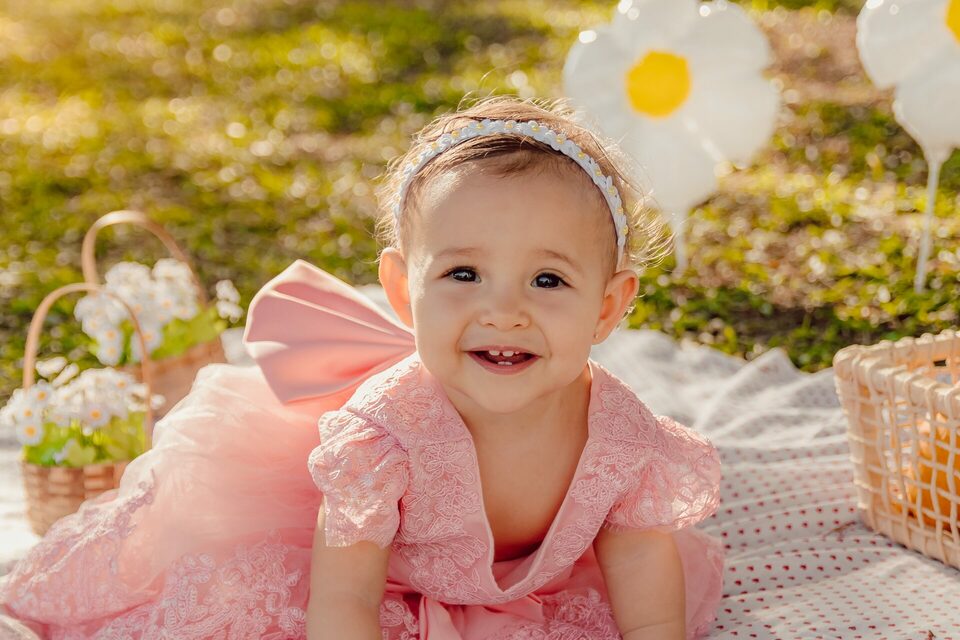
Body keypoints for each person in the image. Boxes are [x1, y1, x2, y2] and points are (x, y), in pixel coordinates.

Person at [0, 95, 724, 639]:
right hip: (373, 582)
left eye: (548, 281)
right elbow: (344, 593)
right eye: (465, 274)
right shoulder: (385, 432)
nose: (504, 312)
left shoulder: (623, 436)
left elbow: (635, 559)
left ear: (607, 306)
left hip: (513, 587)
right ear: (406, 291)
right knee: (232, 602)